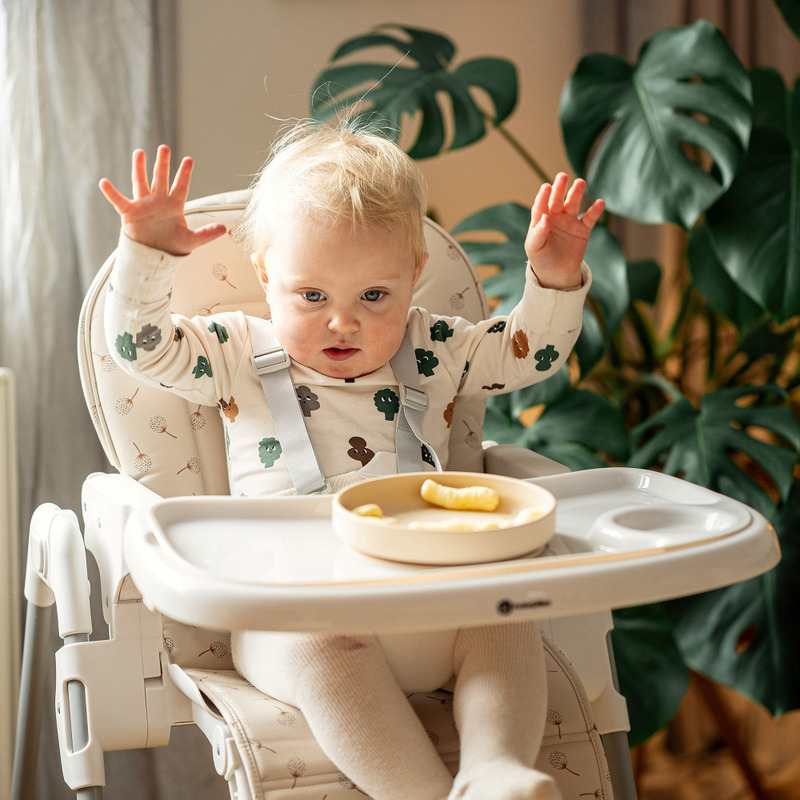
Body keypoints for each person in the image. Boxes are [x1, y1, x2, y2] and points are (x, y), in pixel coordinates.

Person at [100, 121, 604, 800]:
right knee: (321, 651)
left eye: (373, 296)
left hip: (433, 602)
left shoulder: (433, 348)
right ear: (265, 275)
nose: (343, 322)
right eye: (312, 297)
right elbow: (141, 349)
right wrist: (148, 258)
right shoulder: (234, 351)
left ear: (413, 276)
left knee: (503, 618)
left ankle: (495, 770)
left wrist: (553, 279)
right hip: (292, 615)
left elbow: (528, 354)